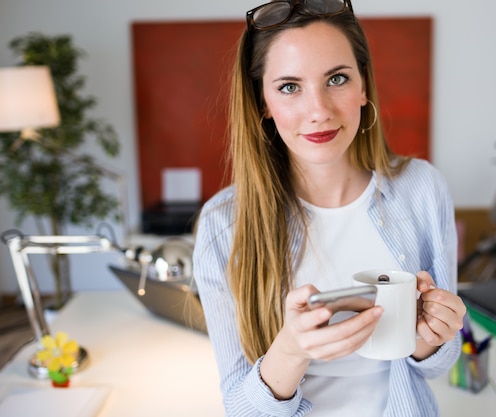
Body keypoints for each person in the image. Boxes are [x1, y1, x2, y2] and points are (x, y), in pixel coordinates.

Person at [193, 0, 466, 415]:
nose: (318, 111)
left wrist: (432, 334)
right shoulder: (223, 225)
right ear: (263, 102)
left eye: (336, 79)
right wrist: (290, 349)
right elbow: (240, 408)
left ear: (363, 87)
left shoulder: (422, 189)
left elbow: (435, 367)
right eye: (289, 87)